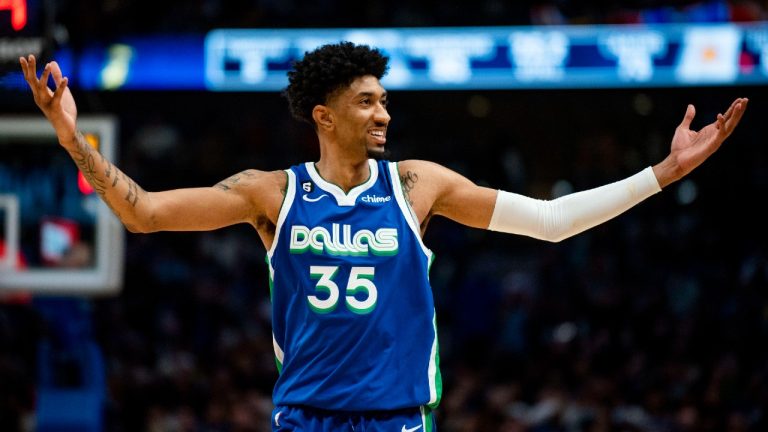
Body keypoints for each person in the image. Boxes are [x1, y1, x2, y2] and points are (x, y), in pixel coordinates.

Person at [19, 42, 748, 431]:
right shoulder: (270, 193)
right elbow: (143, 213)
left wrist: (664, 172)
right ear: (324, 117)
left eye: (385, 101)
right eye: (367, 102)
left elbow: (553, 223)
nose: (384, 114)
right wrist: (70, 137)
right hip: (302, 419)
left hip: (395, 420)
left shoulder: (417, 185)